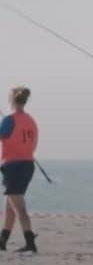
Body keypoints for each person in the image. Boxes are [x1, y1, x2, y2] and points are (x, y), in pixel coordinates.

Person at [0, 87, 38, 253]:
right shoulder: (31, 121)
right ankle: (2, 241)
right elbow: (33, 145)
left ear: (12, 100)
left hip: (14, 166)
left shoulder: (9, 120)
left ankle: (30, 242)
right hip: (27, 165)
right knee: (10, 206)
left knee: (19, 207)